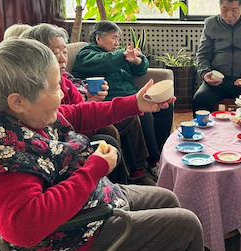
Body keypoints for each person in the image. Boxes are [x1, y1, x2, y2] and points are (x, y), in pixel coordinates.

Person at [0, 39, 204, 251]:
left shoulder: (15, 112)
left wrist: (135, 103)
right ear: (18, 100)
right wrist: (93, 170)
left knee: (166, 198)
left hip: (84, 214)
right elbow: (23, 228)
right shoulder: (0, 149)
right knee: (187, 227)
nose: (62, 94)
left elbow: (74, 113)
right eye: (56, 88)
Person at [21, 23, 155, 185]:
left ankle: (141, 169)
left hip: (85, 126)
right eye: (55, 52)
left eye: (64, 51)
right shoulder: (89, 54)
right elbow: (69, 120)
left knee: (128, 120)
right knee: (110, 134)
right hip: (62, 147)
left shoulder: (66, 83)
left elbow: (80, 113)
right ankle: (125, 181)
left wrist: (136, 61)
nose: (63, 58)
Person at [71, 21, 172, 175]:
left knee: (166, 104)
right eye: (114, 38)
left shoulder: (116, 55)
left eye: (118, 39)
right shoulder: (86, 55)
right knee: (142, 112)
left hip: (131, 95)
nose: (117, 43)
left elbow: (140, 70)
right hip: (113, 101)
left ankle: (162, 151)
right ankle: (153, 160)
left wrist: (137, 59)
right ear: (98, 38)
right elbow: (107, 61)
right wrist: (124, 55)